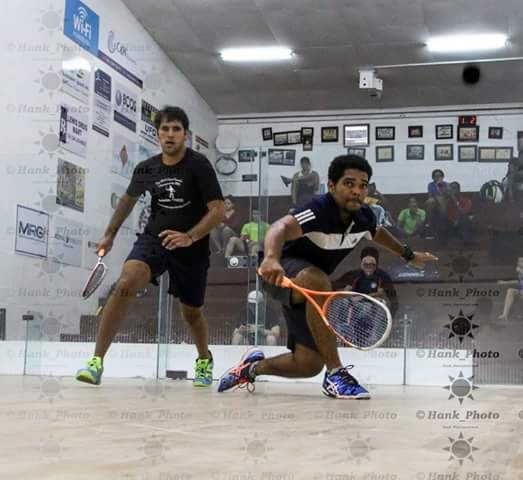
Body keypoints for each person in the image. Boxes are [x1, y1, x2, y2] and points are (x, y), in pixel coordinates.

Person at [218, 155, 438, 399]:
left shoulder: (364, 217)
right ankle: (336, 373)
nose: (357, 191)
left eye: (363, 185)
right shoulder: (318, 210)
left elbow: (377, 233)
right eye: (349, 183)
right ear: (332, 186)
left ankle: (251, 368)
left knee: (308, 364)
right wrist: (270, 258)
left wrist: (409, 255)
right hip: (278, 270)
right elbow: (280, 227)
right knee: (319, 280)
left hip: (310, 285)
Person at [75, 106, 225, 387]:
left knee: (191, 312)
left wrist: (190, 236)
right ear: (157, 134)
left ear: (185, 135)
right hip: (155, 238)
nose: (170, 134)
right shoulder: (147, 168)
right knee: (127, 281)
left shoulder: (199, 165)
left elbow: (217, 210)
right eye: (165, 129)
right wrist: (109, 234)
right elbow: (127, 200)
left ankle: (204, 359)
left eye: (176, 129)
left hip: (191, 247)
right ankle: (96, 362)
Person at [333, 247, 398, 316]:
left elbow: (381, 293)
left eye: (371, 264)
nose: (368, 267)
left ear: (376, 264)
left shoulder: (382, 276)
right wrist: (349, 296)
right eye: (366, 264)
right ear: (361, 264)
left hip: (371, 303)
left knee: (368, 307)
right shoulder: (353, 275)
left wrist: (363, 297)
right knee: (343, 302)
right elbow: (344, 290)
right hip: (355, 301)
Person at [497, 256, 523, 322]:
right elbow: (519, 281)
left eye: (522, 261)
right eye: (518, 261)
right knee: (510, 291)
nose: (519, 263)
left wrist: (522, 273)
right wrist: (504, 282)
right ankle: (504, 315)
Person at [425, 169, 449, 235]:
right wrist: (437, 197)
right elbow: (430, 196)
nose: (438, 177)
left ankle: (443, 221)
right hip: (434, 202)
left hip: (444, 201)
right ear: (433, 177)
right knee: (430, 201)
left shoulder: (446, 184)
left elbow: (446, 195)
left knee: (441, 199)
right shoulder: (430, 185)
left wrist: (439, 186)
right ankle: (429, 222)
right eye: (436, 176)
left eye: (439, 176)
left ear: (442, 177)